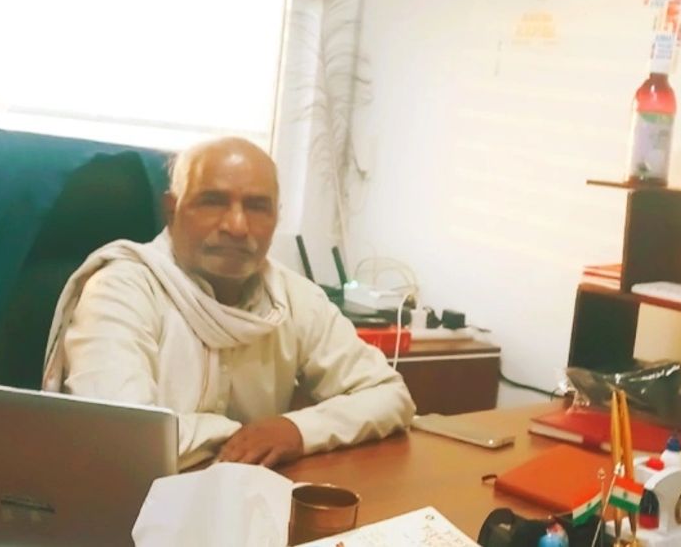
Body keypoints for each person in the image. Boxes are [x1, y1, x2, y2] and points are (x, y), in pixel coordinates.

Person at [42, 137, 415, 469]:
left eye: (257, 206)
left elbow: (390, 395)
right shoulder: (121, 289)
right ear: (172, 211)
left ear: (276, 218)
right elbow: (124, 441)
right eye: (213, 201)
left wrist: (295, 430)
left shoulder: (293, 296)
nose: (237, 226)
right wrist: (246, 435)